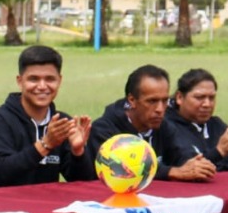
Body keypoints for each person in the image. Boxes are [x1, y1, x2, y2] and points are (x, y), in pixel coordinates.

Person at [0, 45, 94, 187]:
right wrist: (45, 145)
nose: (42, 86)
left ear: (59, 81)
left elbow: (83, 183)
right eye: (34, 79)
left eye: (50, 79)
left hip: (47, 206)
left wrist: (78, 152)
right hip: (1, 207)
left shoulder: (62, 124)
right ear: (20, 81)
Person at [87, 64, 216, 182]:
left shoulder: (164, 126)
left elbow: (183, 155)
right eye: (152, 101)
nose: (160, 109)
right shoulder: (105, 130)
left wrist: (196, 164)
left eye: (164, 100)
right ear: (132, 100)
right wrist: (171, 172)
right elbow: (125, 170)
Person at [166, 68, 228, 171]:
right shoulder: (166, 128)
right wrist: (219, 152)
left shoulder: (217, 125)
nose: (207, 104)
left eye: (211, 98)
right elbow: (188, 170)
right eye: (199, 97)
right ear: (180, 97)